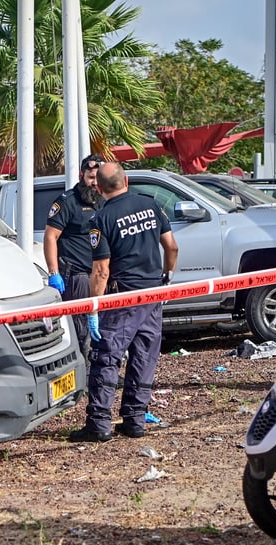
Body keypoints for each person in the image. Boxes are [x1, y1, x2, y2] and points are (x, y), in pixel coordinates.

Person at [69, 162, 178, 442]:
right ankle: (135, 420)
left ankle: (99, 424)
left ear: (99, 188)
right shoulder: (150, 205)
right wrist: (167, 275)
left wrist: (93, 307)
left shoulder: (101, 219)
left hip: (122, 297)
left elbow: (101, 270)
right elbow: (171, 246)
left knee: (107, 358)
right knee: (144, 357)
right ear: (126, 180)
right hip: (152, 294)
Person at [43, 153, 105, 349]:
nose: (94, 182)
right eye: (91, 177)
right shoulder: (67, 201)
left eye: (98, 178)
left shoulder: (104, 199)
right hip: (78, 276)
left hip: (102, 274)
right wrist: (54, 273)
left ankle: (98, 373)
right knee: (82, 332)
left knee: (102, 329)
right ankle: (84, 375)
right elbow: (50, 237)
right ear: (81, 175)